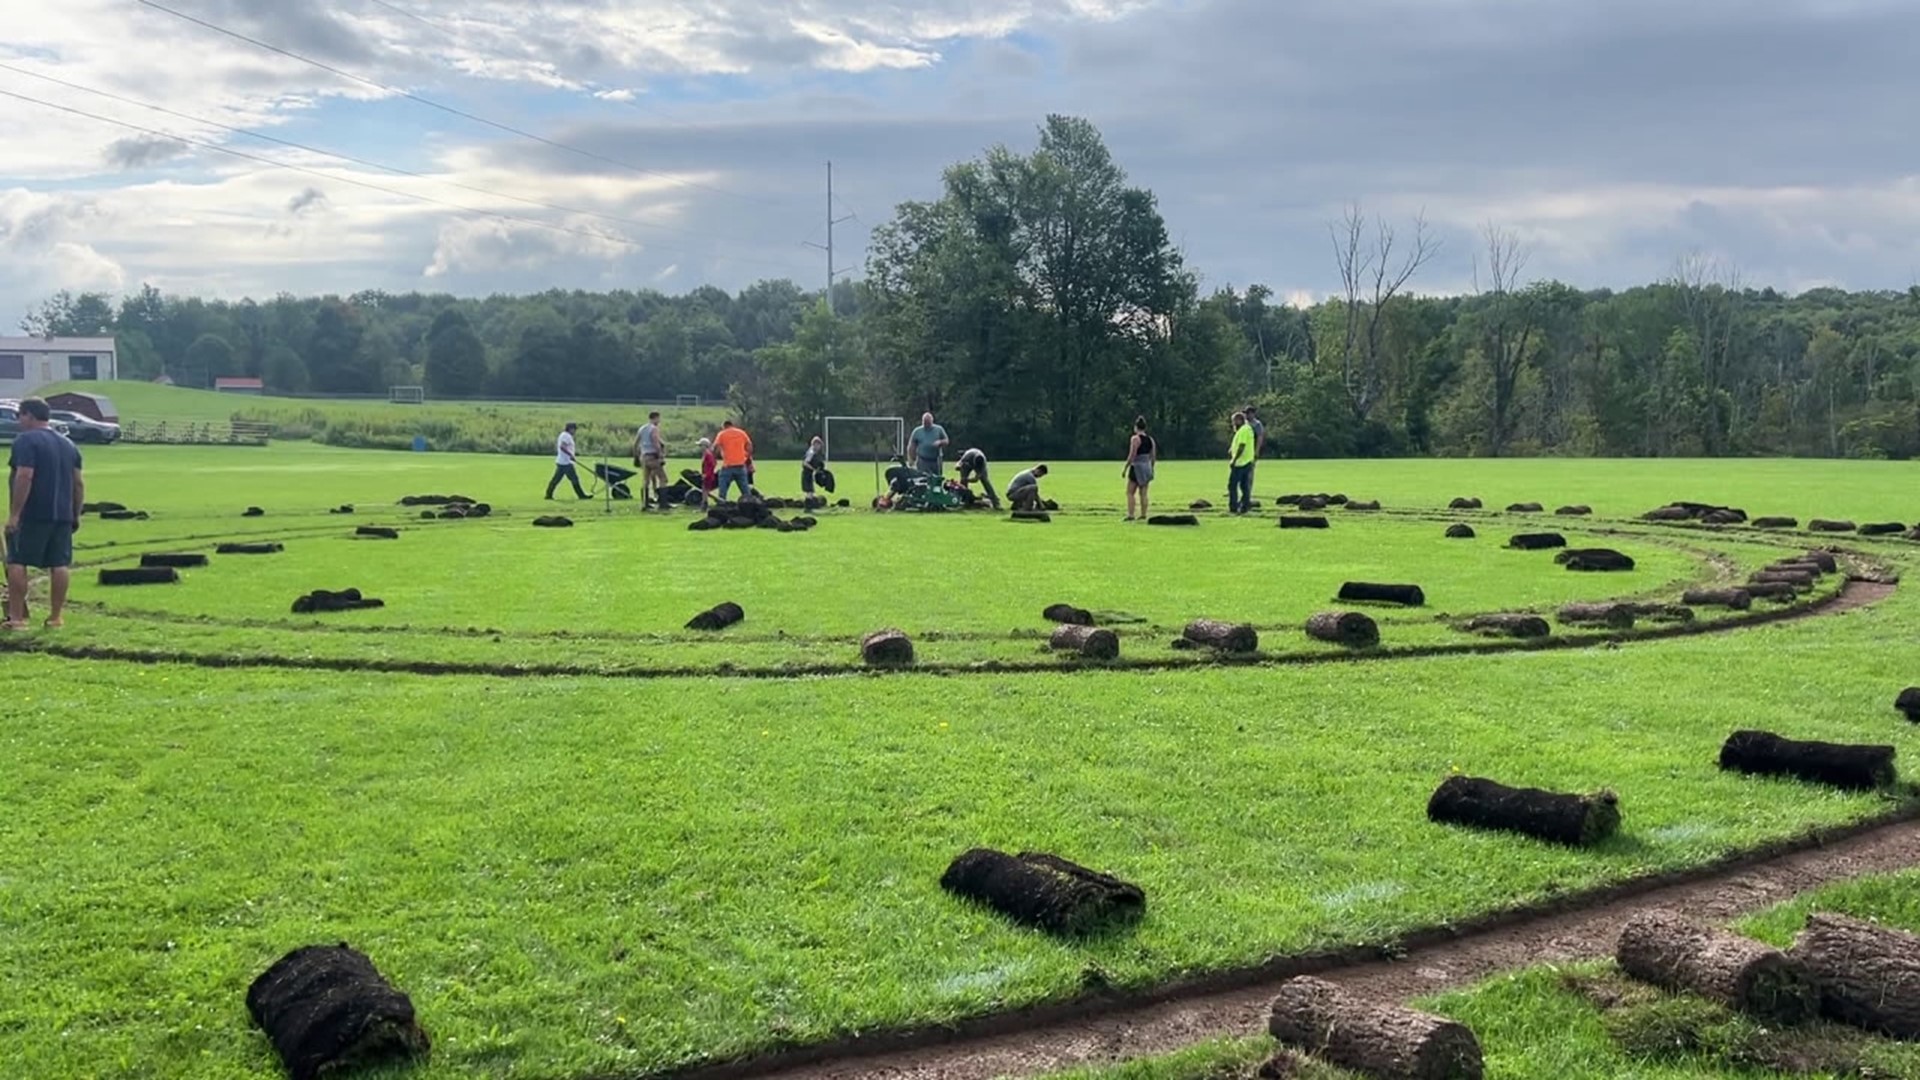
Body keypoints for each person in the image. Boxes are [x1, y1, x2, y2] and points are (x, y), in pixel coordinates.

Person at [5, 397, 83, 631]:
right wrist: (75, 514)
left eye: (20, 416)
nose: (19, 421)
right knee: (59, 564)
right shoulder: (68, 444)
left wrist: (15, 514)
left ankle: (17, 619)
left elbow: (24, 475)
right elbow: (78, 483)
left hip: (33, 513)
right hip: (62, 514)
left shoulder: (26, 441)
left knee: (17, 561)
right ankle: (55, 617)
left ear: (28, 415)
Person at [1123, 416, 1156, 521]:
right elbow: (1153, 456)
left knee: (1130, 492)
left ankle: (1131, 515)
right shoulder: (1151, 440)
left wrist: (1125, 467)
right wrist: (1151, 468)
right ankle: (1143, 515)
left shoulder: (1135, 439)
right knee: (1144, 493)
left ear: (1136, 427)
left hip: (1136, 466)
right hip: (1146, 466)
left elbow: (1132, 455)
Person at [632, 411, 667, 509]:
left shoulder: (642, 428)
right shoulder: (654, 429)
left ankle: (645, 504)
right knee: (663, 478)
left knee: (645, 480)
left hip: (643, 456)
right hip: (652, 456)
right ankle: (663, 503)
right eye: (659, 419)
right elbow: (655, 442)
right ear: (655, 418)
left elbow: (635, 444)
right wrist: (660, 455)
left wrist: (636, 456)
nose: (659, 421)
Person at [712, 419, 753, 501]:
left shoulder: (722, 434)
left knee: (723, 487)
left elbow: (715, 447)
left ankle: (721, 503)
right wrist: (747, 456)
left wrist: (715, 457)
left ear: (724, 426)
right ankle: (750, 503)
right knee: (745, 488)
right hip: (741, 465)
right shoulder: (741, 433)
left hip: (728, 466)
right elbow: (749, 445)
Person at [546, 422, 589, 499]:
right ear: (570, 429)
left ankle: (548, 495)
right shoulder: (566, 436)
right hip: (566, 463)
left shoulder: (564, 435)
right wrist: (570, 455)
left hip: (562, 462)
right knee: (574, 479)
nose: (575, 431)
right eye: (574, 429)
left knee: (556, 479)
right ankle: (581, 496)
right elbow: (562, 447)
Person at [1227, 411, 1255, 514]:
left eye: (1234, 421)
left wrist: (1234, 459)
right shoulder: (1248, 429)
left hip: (1240, 463)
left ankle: (1233, 507)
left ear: (1239, 420)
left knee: (1232, 485)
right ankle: (1245, 506)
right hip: (1248, 461)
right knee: (1244, 486)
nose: (1233, 423)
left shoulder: (1243, 430)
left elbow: (1242, 445)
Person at [908, 411, 949, 476]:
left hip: (936, 460)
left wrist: (940, 442)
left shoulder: (939, 429)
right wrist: (911, 459)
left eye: (928, 423)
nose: (926, 425)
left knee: (936, 478)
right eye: (925, 423)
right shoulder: (917, 431)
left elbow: (946, 441)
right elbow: (912, 446)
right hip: (922, 460)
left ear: (932, 421)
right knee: (922, 478)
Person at [1245, 404, 1267, 496]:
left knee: (1250, 471)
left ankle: (1248, 490)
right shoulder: (1244, 423)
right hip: (1243, 451)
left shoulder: (1257, 424)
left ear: (1253, 414)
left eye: (1249, 413)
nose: (1247, 415)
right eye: (1246, 413)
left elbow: (1260, 437)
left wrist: (1256, 450)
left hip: (1251, 450)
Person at [697, 437, 718, 506]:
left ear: (704, 446)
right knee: (704, 490)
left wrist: (706, 474)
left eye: (700, 446)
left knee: (705, 491)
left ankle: (704, 505)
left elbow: (713, 464)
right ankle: (704, 504)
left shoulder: (708, 454)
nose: (699, 447)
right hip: (707, 475)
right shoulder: (707, 454)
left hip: (708, 476)